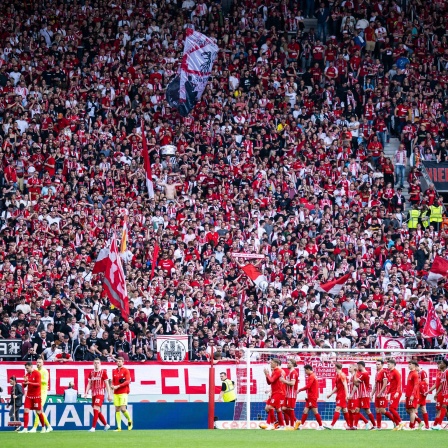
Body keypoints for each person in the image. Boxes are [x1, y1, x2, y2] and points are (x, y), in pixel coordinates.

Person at [19, 362, 48, 433]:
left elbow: (38, 384)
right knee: (26, 410)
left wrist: (29, 383)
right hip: (29, 396)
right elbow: (24, 386)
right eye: (26, 369)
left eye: (27, 368)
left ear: (31, 367)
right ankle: (25, 428)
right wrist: (25, 382)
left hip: (36, 396)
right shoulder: (27, 375)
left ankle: (43, 427)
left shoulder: (37, 373)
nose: (26, 370)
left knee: (38, 412)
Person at [85, 358, 112, 432]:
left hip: (100, 393)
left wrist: (109, 395)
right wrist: (86, 392)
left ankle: (93, 427)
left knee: (95, 408)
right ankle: (106, 425)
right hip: (93, 393)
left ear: (100, 364)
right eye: (95, 363)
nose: (96, 364)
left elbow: (107, 384)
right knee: (97, 411)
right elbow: (89, 384)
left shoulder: (103, 372)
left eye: (98, 363)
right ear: (93, 364)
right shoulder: (91, 373)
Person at [261, 358, 286, 430]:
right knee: (278, 409)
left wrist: (267, 374)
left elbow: (271, 380)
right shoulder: (275, 371)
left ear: (276, 364)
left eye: (271, 363)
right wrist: (267, 375)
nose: (270, 364)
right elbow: (269, 382)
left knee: (270, 407)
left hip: (278, 392)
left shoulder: (278, 371)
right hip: (276, 392)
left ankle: (272, 423)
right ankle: (281, 425)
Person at [371, 360, 396, 430]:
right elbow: (375, 385)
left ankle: (395, 421)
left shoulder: (384, 372)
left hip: (382, 394)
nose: (377, 365)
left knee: (382, 410)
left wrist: (380, 392)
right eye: (376, 364)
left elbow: (385, 384)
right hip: (377, 394)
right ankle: (378, 427)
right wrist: (372, 394)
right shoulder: (376, 373)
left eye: (378, 364)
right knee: (377, 410)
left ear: (382, 365)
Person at [297, 364, 324, 430]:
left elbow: (308, 386)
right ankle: (301, 426)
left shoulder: (311, 376)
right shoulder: (313, 376)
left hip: (312, 397)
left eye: (305, 370)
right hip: (310, 397)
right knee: (305, 411)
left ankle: (321, 426)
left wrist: (300, 390)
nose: (305, 372)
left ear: (308, 369)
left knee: (315, 411)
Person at [325, 362, 351, 429]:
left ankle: (332, 425)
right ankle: (349, 425)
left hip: (342, 395)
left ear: (336, 367)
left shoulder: (342, 375)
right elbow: (337, 387)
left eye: (334, 366)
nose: (334, 368)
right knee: (345, 410)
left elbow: (345, 385)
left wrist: (346, 395)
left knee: (338, 408)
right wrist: (330, 394)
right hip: (339, 394)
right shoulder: (338, 375)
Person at [30, 357, 53, 433]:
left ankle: (35, 427)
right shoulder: (35, 371)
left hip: (43, 391)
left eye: (39, 362)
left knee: (38, 409)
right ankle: (49, 426)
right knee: (39, 410)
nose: (38, 364)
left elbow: (46, 382)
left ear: (43, 363)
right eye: (37, 362)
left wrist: (37, 379)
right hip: (36, 392)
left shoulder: (45, 371)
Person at [351, 361, 376, 429]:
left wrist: (355, 372)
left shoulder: (365, 373)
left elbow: (355, 382)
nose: (357, 367)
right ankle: (355, 426)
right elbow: (356, 384)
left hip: (364, 395)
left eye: (358, 365)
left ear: (361, 366)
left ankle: (374, 425)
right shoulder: (362, 373)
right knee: (357, 409)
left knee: (367, 410)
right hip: (360, 395)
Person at [112, 356, 133, 431]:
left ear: (123, 362)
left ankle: (130, 420)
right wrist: (112, 385)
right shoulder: (114, 371)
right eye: (117, 361)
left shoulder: (126, 370)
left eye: (120, 361)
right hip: (116, 392)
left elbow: (127, 381)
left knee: (123, 409)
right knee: (117, 409)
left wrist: (118, 386)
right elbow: (113, 381)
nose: (118, 362)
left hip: (123, 392)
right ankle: (119, 427)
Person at [280, 359, 300, 430]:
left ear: (292, 364)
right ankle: (296, 421)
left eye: (288, 363)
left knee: (290, 409)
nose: (287, 364)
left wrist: (283, 381)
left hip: (291, 393)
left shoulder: (293, 373)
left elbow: (292, 383)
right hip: (288, 393)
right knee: (284, 409)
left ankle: (292, 425)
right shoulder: (290, 372)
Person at [431, 359, 448, 430]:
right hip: (442, 393)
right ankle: (436, 424)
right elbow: (441, 384)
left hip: (447, 393)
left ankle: (439, 424)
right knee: (441, 409)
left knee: (443, 407)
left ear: (444, 365)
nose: (439, 364)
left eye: (441, 363)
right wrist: (436, 393)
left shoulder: (447, 372)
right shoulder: (443, 373)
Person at [388, 359, 404, 430]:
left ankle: (400, 422)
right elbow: (391, 385)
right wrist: (387, 393)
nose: (387, 365)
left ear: (393, 364)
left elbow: (399, 383)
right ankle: (397, 426)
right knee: (393, 409)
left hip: (396, 392)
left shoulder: (396, 372)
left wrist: (397, 392)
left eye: (389, 364)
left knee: (391, 408)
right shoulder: (390, 372)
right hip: (392, 392)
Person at [405, 360, 420, 430]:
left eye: (410, 364)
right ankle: (420, 422)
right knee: (408, 410)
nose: (408, 365)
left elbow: (416, 385)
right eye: (408, 364)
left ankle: (411, 427)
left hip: (412, 395)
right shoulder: (410, 373)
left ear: (414, 365)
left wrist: (413, 395)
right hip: (408, 394)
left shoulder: (415, 374)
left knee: (412, 410)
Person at [415, 364, 430, 430]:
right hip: (419, 393)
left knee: (414, 409)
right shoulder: (417, 373)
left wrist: (425, 392)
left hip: (421, 394)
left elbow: (426, 383)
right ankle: (426, 425)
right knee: (423, 409)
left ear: (417, 366)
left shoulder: (423, 372)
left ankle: (418, 424)